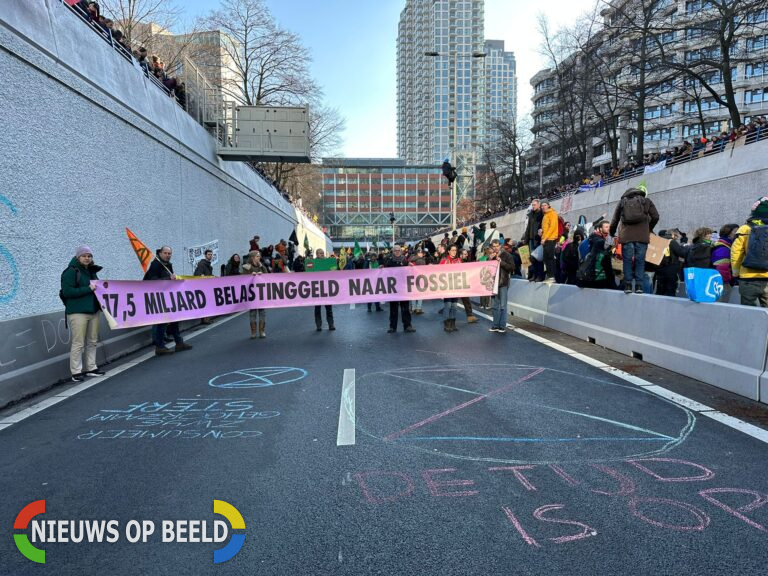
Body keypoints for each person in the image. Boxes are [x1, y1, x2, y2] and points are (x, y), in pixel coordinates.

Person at [60, 246, 105, 382]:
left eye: (89, 256)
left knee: (92, 341)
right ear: (78, 257)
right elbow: (67, 292)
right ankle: (76, 372)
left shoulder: (91, 271)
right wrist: (88, 289)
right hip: (77, 312)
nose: (87, 258)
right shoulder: (71, 271)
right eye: (84, 255)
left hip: (94, 311)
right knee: (78, 343)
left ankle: (91, 368)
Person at [609, 185, 660, 294]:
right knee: (640, 261)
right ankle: (639, 287)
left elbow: (615, 220)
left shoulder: (622, 202)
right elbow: (655, 216)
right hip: (642, 237)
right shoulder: (646, 201)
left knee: (627, 261)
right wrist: (649, 228)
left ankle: (627, 286)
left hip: (626, 237)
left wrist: (611, 232)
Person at [143, 246, 193, 355]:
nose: (167, 255)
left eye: (169, 253)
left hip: (168, 296)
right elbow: (152, 281)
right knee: (161, 321)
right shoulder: (156, 265)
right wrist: (168, 279)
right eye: (165, 253)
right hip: (158, 298)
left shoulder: (168, 265)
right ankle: (160, 346)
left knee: (175, 319)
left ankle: (179, 343)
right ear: (160, 253)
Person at [731, 197, 768, 307]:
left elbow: (736, 253)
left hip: (747, 278)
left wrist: (736, 273)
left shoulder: (745, 229)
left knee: (749, 312)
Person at [577, 220, 616, 290]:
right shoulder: (599, 241)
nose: (608, 229)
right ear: (600, 229)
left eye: (609, 227)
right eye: (606, 227)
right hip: (595, 279)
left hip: (584, 277)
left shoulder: (591, 238)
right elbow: (605, 262)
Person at [384, 245, 415, 333]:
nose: (397, 252)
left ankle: (408, 326)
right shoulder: (389, 261)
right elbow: (384, 273)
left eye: (398, 250)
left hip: (403, 288)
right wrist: (381, 269)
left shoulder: (405, 260)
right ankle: (392, 327)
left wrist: (411, 266)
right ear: (392, 252)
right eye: (395, 250)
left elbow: (410, 271)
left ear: (401, 251)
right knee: (393, 309)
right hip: (393, 289)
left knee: (405, 308)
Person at [489, 239, 515, 333]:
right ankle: (495, 325)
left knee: (503, 305)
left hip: (503, 282)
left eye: (496, 246)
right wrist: (490, 259)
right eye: (493, 246)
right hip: (493, 283)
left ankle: (502, 326)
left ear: (500, 246)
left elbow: (512, 268)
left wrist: (501, 261)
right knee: (495, 305)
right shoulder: (492, 256)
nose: (495, 248)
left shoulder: (507, 255)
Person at [242, 250, 268, 339]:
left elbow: (267, 275)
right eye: (257, 256)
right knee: (252, 313)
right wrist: (250, 274)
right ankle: (253, 332)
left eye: (259, 256)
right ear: (252, 257)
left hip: (261, 293)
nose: (259, 257)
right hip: (251, 293)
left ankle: (262, 331)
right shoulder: (246, 267)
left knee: (262, 312)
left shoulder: (261, 266)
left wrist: (262, 272)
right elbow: (242, 278)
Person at [712, 223, 739, 302]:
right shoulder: (723, 248)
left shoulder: (726, 245)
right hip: (722, 283)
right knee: (721, 306)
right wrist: (727, 283)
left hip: (722, 282)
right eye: (736, 231)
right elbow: (721, 268)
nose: (738, 233)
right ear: (728, 233)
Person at [439, 244, 462, 332]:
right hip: (447, 286)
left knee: (454, 306)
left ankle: (453, 323)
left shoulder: (459, 260)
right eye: (452, 250)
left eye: (455, 250)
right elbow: (438, 272)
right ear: (448, 251)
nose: (454, 252)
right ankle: (447, 324)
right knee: (448, 305)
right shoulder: (444, 260)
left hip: (456, 286)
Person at [311, 249, 335, 330]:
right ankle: (318, 325)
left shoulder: (327, 262)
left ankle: (331, 324)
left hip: (326, 288)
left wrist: (333, 269)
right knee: (317, 308)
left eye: (323, 253)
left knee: (329, 308)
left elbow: (334, 271)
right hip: (316, 289)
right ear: (316, 254)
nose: (322, 254)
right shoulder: (312, 263)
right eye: (320, 253)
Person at [522, 199, 544, 282]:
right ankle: (534, 275)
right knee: (532, 259)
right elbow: (528, 228)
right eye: (532, 205)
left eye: (534, 205)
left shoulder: (542, 214)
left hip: (537, 239)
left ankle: (540, 275)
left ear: (539, 205)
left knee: (538, 259)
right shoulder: (531, 214)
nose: (533, 206)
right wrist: (526, 239)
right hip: (531, 239)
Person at [194, 249, 215, 324]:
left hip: (207, 285)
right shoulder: (202, 264)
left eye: (211, 254)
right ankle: (205, 319)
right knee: (206, 302)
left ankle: (207, 318)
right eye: (209, 254)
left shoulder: (208, 264)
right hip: (203, 286)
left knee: (208, 302)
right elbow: (199, 274)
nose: (210, 256)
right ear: (205, 255)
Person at [540, 202, 560, 284]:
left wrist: (545, 238)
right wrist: (541, 232)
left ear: (548, 205)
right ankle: (549, 275)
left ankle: (552, 276)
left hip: (550, 239)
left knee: (549, 258)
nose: (543, 207)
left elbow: (552, 227)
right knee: (545, 258)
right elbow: (546, 228)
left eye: (545, 205)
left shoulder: (553, 213)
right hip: (546, 239)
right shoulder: (545, 215)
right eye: (542, 206)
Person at [409, 246, 427, 314]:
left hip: (412, 278)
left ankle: (413, 307)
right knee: (420, 293)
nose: (422, 254)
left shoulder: (412, 259)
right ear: (418, 253)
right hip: (420, 278)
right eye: (421, 253)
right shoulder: (421, 260)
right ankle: (418, 308)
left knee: (413, 294)